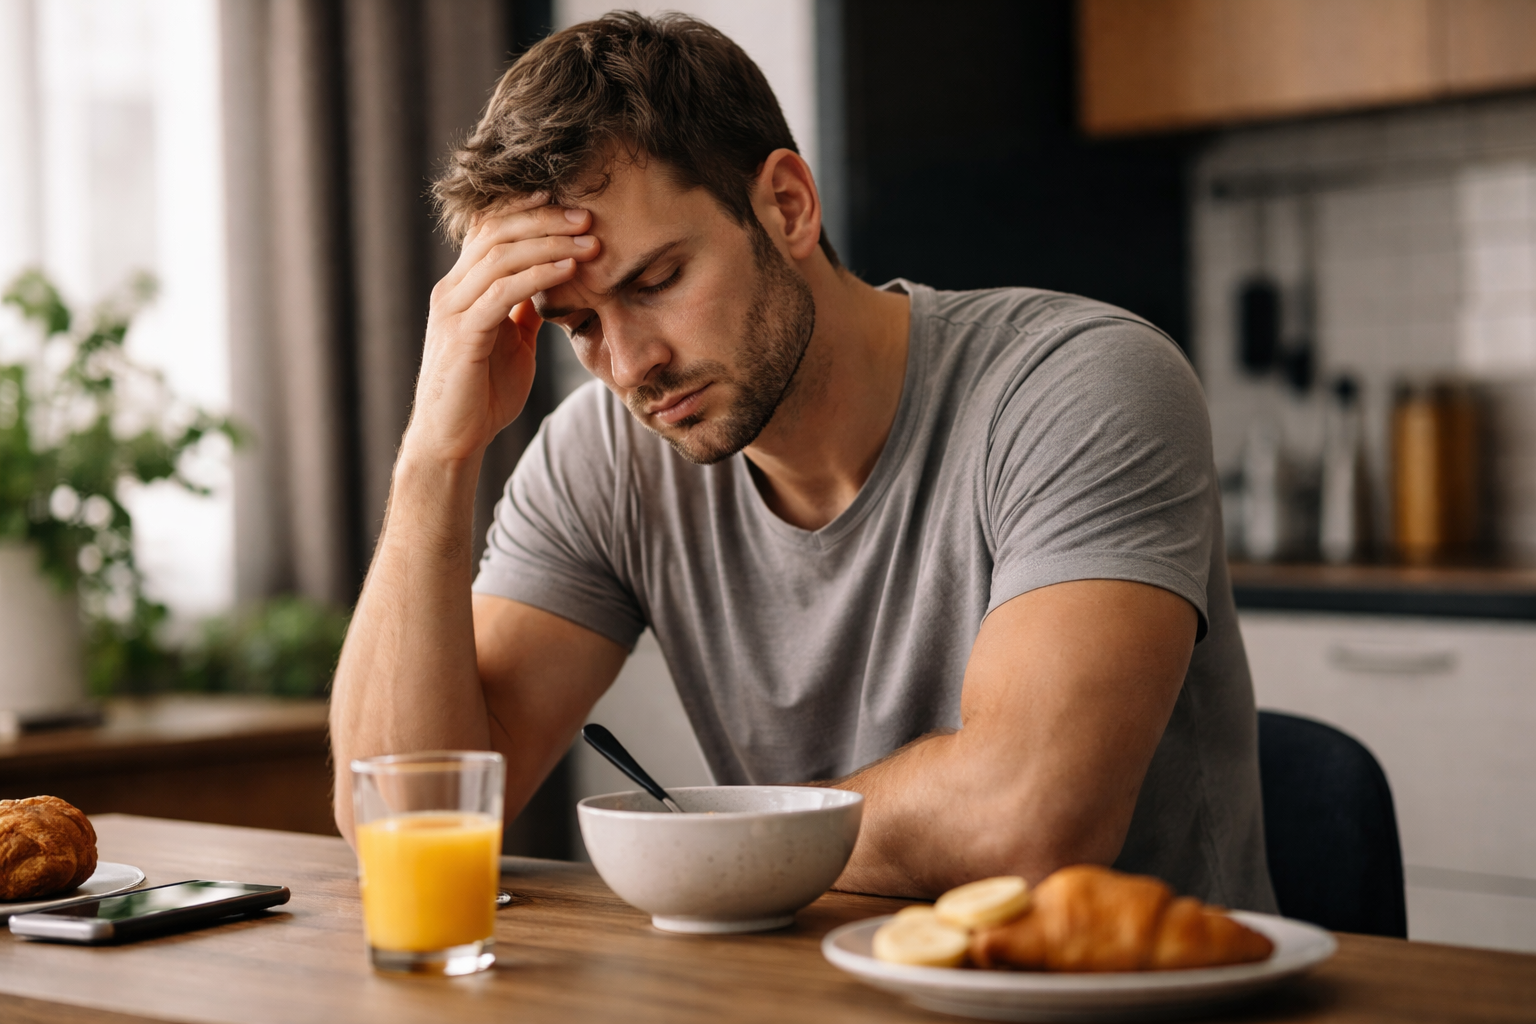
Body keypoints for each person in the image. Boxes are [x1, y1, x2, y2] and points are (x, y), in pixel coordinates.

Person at [329, 11, 1276, 910]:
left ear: (786, 204)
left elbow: (1027, 821)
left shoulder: (1078, 384)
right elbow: (405, 824)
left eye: (656, 282)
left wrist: (701, 845)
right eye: (579, 324)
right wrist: (433, 456)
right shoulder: (605, 458)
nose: (629, 365)